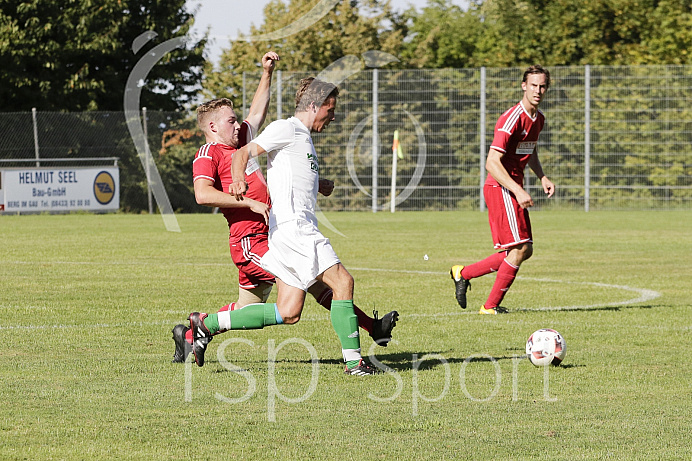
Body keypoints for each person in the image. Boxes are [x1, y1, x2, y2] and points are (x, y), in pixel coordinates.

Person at [171, 60, 398, 364]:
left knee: (267, 306)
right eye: (231, 121)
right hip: (250, 239)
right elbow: (202, 194)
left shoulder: (244, 139)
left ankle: (193, 332)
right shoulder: (209, 153)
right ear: (212, 126)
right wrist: (248, 202)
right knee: (314, 286)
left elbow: (257, 114)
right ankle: (367, 338)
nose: (239, 125)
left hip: (269, 233)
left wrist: (266, 73)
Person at [450, 65, 555, 314]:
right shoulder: (511, 118)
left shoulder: (538, 119)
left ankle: (463, 273)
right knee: (519, 248)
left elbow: (529, 151)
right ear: (523, 86)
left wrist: (542, 176)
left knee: (523, 249)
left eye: (542, 86)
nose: (538, 90)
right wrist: (518, 191)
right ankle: (489, 307)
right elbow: (491, 162)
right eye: (533, 85)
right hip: (500, 187)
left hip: (511, 188)